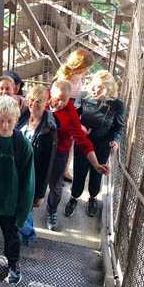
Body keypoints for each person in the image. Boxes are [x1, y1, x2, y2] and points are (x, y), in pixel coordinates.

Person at [0, 95, 35, 284]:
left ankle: (13, 264)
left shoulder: (22, 145)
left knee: (11, 236)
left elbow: (28, 181)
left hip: (11, 203)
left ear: (16, 120)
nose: (5, 125)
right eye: (1, 120)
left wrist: (23, 210)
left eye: (10, 121)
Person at [47, 80, 109, 231]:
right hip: (40, 148)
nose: (60, 102)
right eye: (57, 98)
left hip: (59, 152)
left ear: (70, 99)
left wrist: (95, 164)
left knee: (55, 185)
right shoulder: (43, 101)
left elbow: (83, 141)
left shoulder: (70, 113)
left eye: (64, 99)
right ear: (51, 94)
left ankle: (52, 212)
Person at [65, 71, 124, 217]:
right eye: (94, 86)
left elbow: (119, 126)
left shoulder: (117, 104)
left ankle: (92, 197)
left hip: (103, 143)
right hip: (84, 141)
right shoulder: (84, 95)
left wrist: (116, 141)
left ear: (108, 89)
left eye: (100, 87)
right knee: (79, 170)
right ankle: (74, 197)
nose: (95, 90)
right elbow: (73, 116)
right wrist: (78, 126)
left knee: (97, 173)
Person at [16, 85, 58, 244]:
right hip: (16, 172)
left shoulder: (49, 130)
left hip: (32, 177)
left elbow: (48, 164)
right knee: (16, 210)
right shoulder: (22, 116)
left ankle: (28, 237)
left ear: (46, 103)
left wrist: (40, 193)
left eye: (39, 101)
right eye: (31, 100)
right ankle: (20, 238)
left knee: (25, 212)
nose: (34, 104)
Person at [55, 49, 94, 182]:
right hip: (64, 109)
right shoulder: (64, 78)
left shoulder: (79, 75)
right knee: (63, 142)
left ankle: (64, 170)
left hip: (74, 108)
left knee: (70, 143)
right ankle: (57, 170)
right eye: (85, 67)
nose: (86, 70)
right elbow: (60, 100)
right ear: (79, 65)